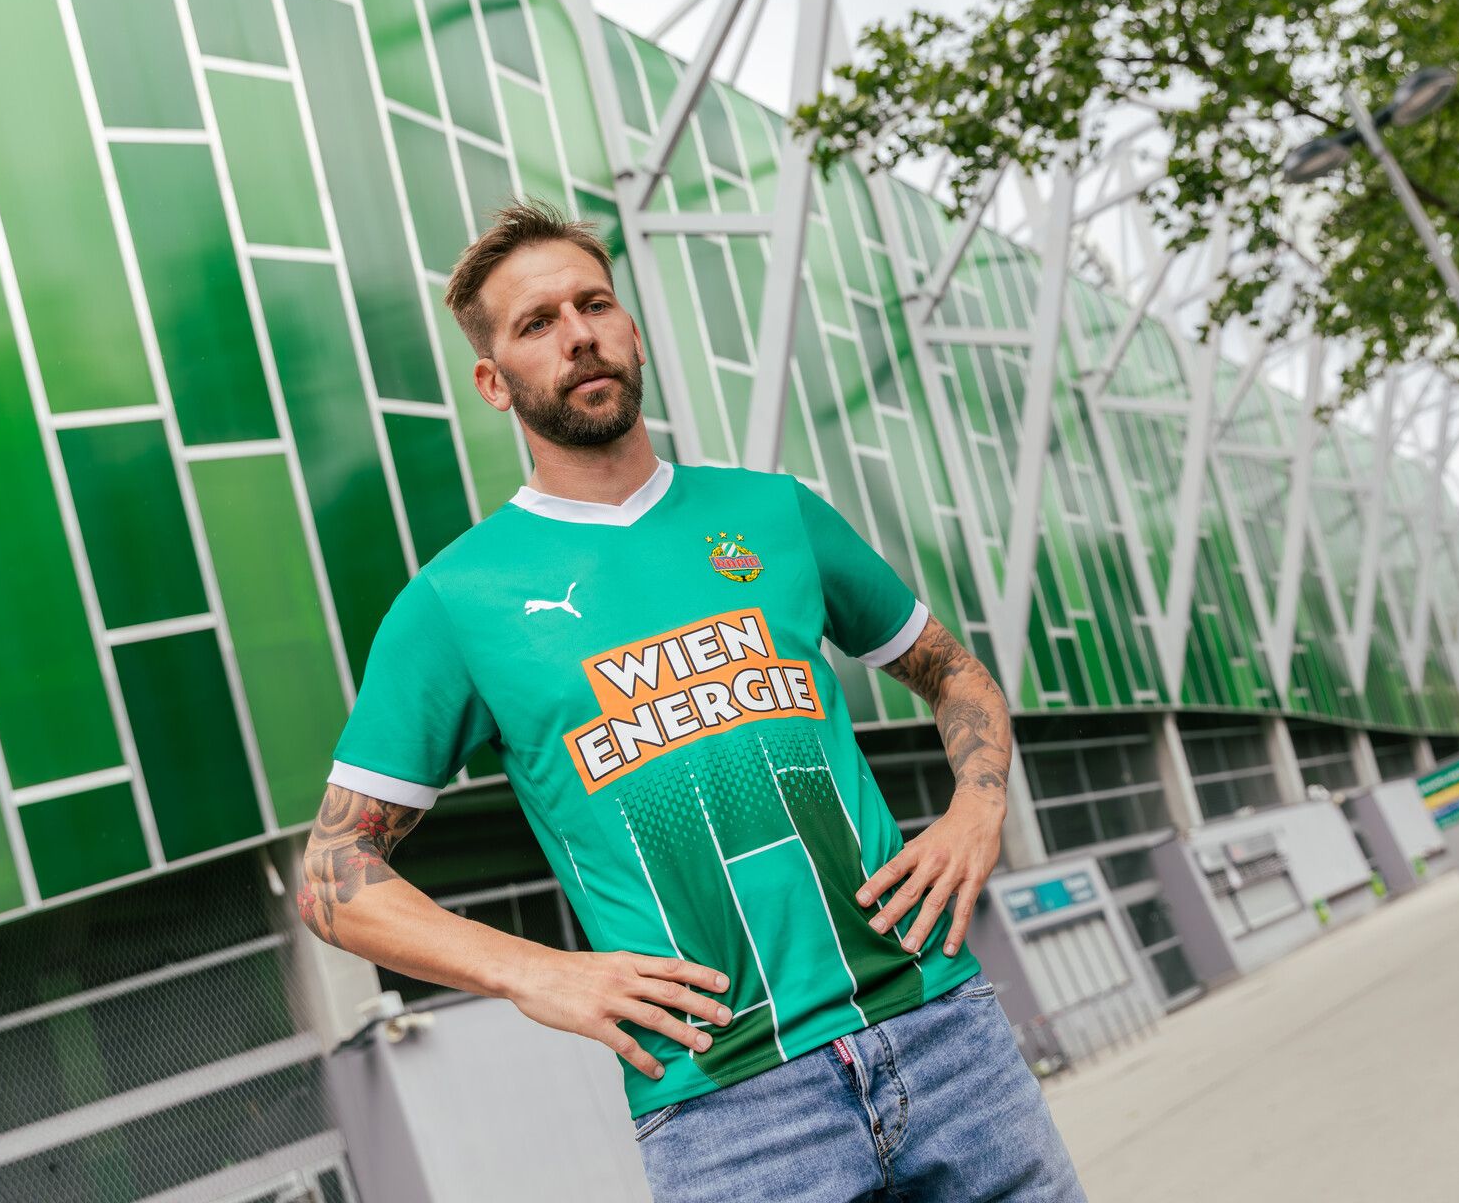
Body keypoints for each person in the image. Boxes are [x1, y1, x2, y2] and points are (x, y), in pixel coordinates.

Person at [297, 199, 1086, 1201]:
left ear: (631, 331)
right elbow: (332, 875)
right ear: (493, 381)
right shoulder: (454, 602)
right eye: (537, 322)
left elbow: (953, 671)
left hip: (945, 1033)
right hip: (729, 1112)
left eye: (594, 304)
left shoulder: (776, 511)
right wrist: (538, 972)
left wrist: (978, 806)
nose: (578, 333)